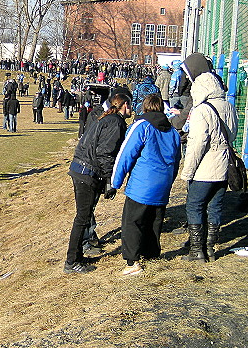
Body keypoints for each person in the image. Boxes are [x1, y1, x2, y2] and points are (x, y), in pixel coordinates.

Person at [111, 94, 181, 276]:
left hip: (142, 184)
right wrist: (169, 181)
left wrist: (115, 181)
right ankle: (151, 255)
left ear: (145, 107)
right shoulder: (172, 132)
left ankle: (132, 261)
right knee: (154, 221)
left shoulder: (142, 126)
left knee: (132, 222)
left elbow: (126, 153)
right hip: (163, 184)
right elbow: (176, 160)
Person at [63, 93, 132, 274]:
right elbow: (105, 153)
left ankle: (76, 256)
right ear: (124, 105)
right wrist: (110, 180)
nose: (132, 108)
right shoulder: (115, 122)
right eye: (130, 104)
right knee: (82, 218)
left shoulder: (106, 119)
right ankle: (71, 261)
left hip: (82, 169)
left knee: (84, 217)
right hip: (87, 172)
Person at [180, 52, 237, 263]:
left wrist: (188, 171)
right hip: (223, 166)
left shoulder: (202, 110)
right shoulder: (229, 107)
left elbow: (196, 144)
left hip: (205, 166)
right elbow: (233, 134)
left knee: (194, 205)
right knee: (215, 206)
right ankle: (211, 248)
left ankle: (197, 250)